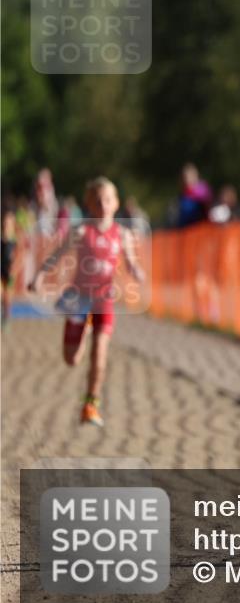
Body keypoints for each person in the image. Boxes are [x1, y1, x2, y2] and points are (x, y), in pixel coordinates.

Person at [28, 177, 145, 427]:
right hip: (78, 300)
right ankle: (84, 327)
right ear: (89, 204)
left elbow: (132, 261)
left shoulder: (122, 234)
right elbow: (56, 255)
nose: (103, 204)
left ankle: (91, 405)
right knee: (71, 359)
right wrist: (39, 276)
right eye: (98, 200)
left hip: (104, 301)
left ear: (116, 204)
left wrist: (137, 272)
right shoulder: (81, 231)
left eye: (108, 200)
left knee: (99, 354)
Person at [176, 163, 213, 228]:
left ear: (196, 176)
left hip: (201, 229)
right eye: (184, 177)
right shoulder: (183, 196)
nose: (187, 180)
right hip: (186, 230)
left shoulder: (203, 193)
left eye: (190, 176)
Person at [1, 204, 18, 330]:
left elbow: (19, 257)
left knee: (7, 296)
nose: (6, 225)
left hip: (10, 271)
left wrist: (14, 269)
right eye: (4, 223)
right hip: (1, 270)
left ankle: (6, 317)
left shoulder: (15, 240)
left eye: (8, 223)